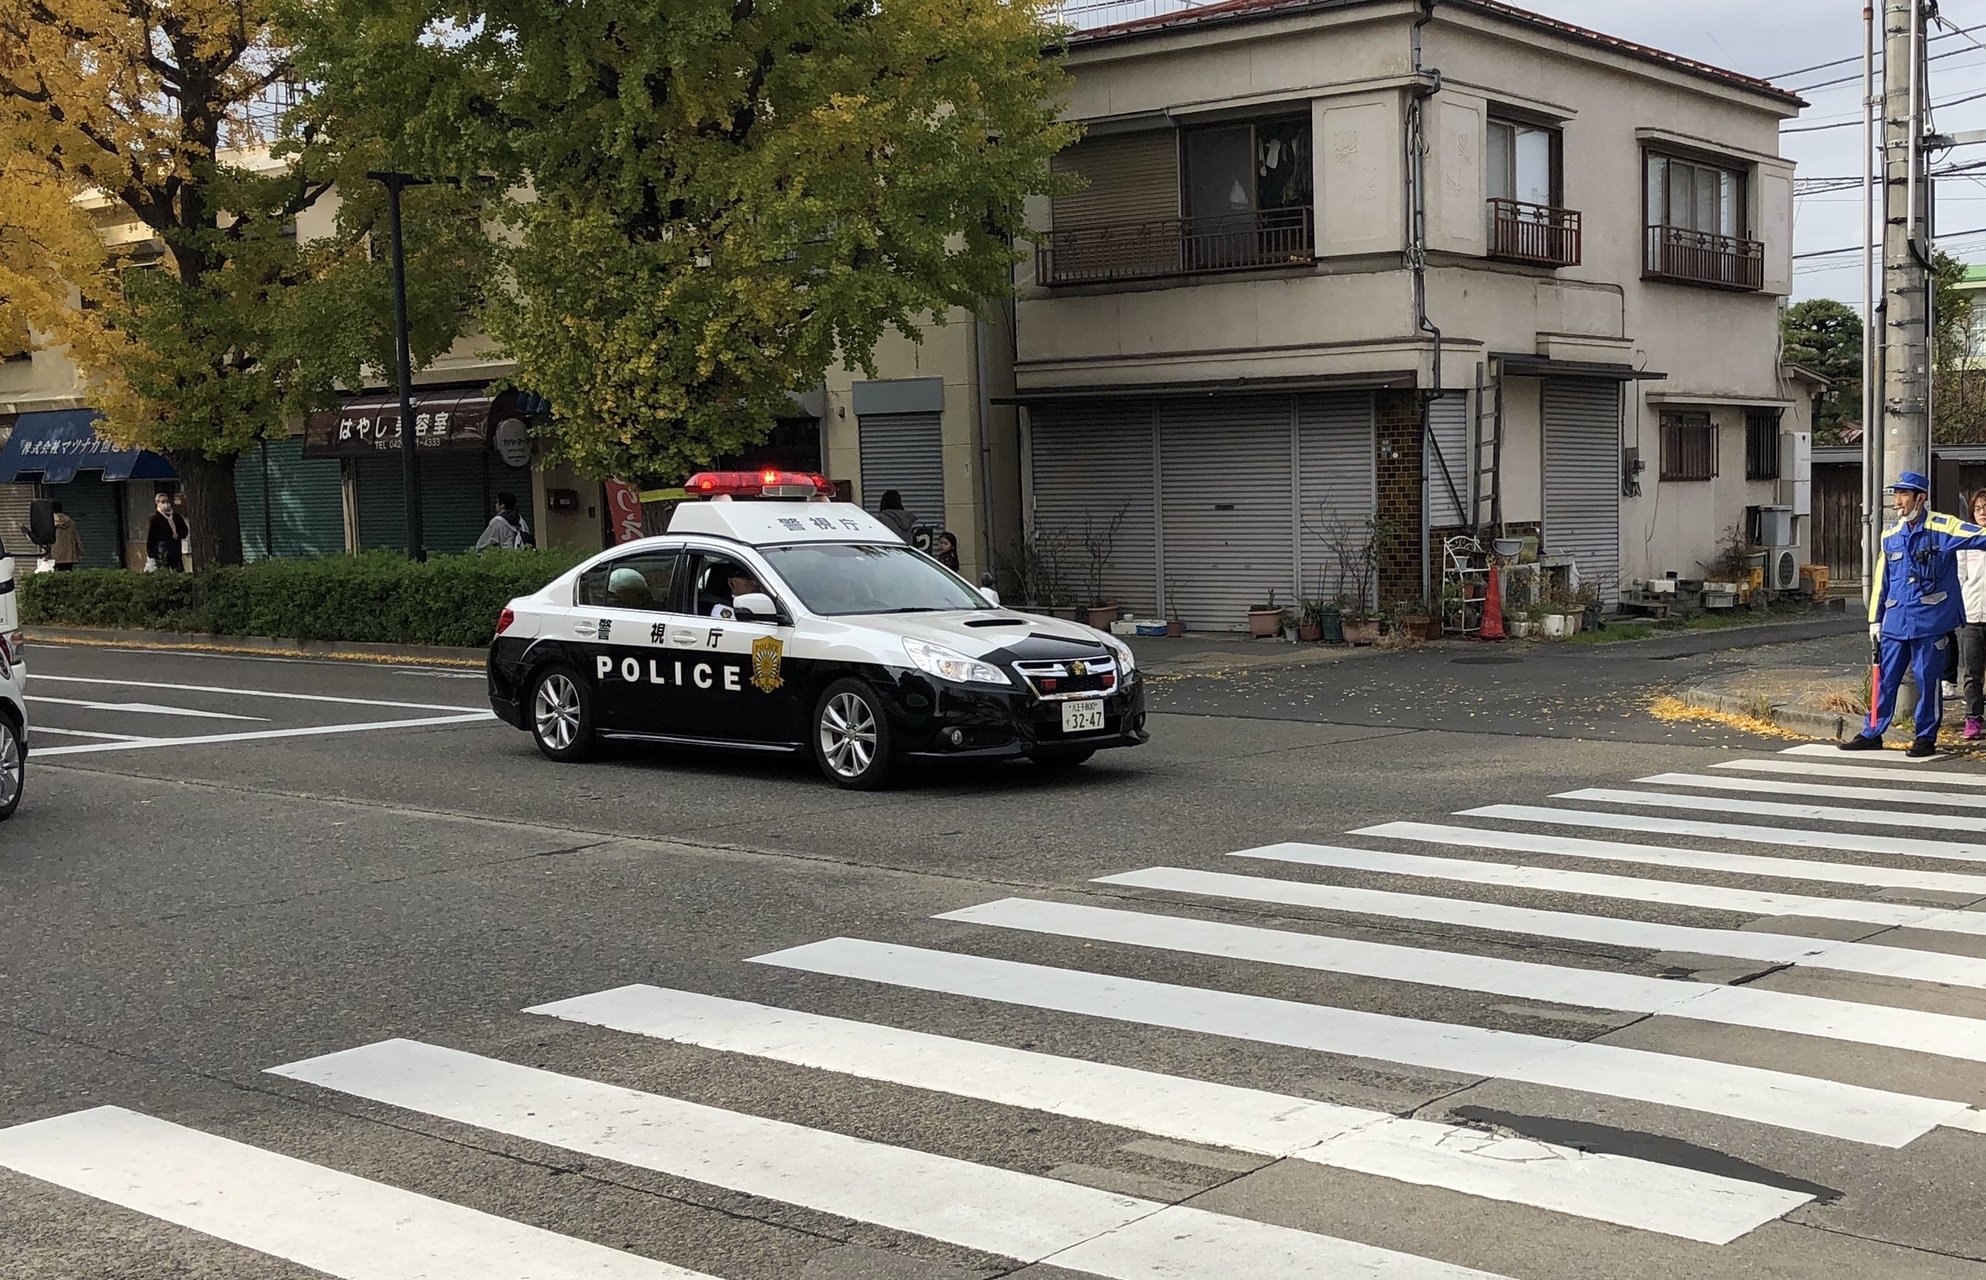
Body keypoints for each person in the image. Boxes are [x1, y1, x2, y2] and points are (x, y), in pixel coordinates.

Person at [1841, 470, 1986, 756]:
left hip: (1930, 622)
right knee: (1885, 679)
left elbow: (1980, 535)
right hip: (1895, 621)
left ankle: (1925, 737)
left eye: (1904, 494)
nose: (1898, 501)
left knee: (1928, 681)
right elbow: (1882, 578)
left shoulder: (1943, 527)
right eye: (1896, 494)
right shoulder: (1891, 534)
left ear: (1921, 498)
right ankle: (1873, 731)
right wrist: (1875, 618)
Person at [1959, 489, 1986, 740]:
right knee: (1972, 671)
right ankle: (1973, 719)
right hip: (1972, 616)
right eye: (1978, 508)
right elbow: (1960, 578)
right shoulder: (1967, 541)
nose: (1982, 513)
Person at [147, 492, 189, 572]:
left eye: (167, 501)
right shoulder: (155, 519)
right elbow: (151, 537)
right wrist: (151, 553)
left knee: (179, 572)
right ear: (157, 503)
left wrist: (178, 534)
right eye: (163, 502)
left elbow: (184, 531)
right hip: (162, 552)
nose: (166, 504)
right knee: (163, 572)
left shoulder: (176, 517)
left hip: (176, 551)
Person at [49, 503, 83, 571]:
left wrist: (46, 554)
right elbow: (77, 538)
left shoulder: (49, 522)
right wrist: (80, 552)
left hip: (55, 555)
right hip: (69, 555)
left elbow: (47, 539)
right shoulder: (70, 522)